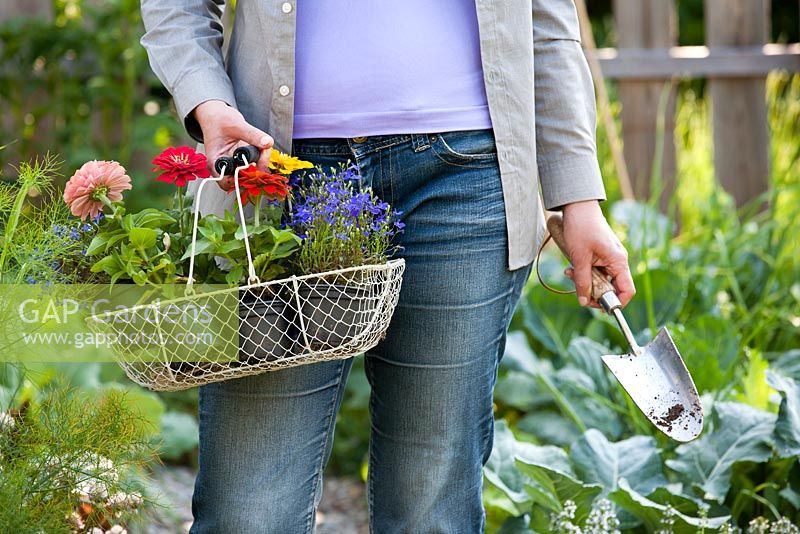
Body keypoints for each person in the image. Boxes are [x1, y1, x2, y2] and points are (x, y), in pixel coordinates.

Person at [140, 1, 635, 532]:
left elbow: (544, 21)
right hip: (276, 176)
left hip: (464, 178)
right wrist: (208, 103)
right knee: (249, 512)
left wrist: (578, 195)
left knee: (431, 510)